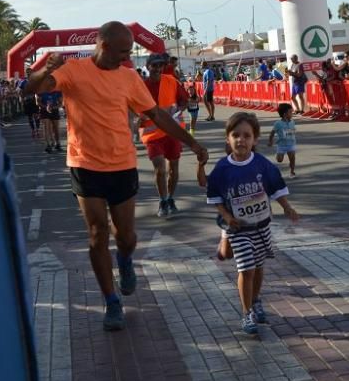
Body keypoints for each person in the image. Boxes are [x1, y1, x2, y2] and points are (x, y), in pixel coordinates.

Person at [23, 21, 208, 331]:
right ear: (103, 46)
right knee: (96, 233)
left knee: (126, 236)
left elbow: (157, 115)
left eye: (128, 53)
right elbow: (32, 88)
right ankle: (111, 301)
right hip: (84, 164)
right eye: (122, 52)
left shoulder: (128, 77)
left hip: (122, 164)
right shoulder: (73, 71)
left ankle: (124, 260)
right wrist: (45, 70)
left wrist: (192, 142)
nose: (125, 59)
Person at [203, 112, 299, 335]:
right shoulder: (222, 169)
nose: (241, 140)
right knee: (246, 269)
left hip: (261, 226)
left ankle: (256, 300)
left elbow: (276, 189)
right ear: (228, 138)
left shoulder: (262, 165)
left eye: (246, 135)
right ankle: (247, 313)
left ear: (255, 139)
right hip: (239, 229)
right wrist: (227, 218)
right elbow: (216, 198)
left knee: (257, 267)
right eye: (235, 135)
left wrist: (287, 207)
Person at [140, 53, 189, 218]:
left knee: (173, 168)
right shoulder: (141, 86)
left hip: (172, 131)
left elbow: (184, 101)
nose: (158, 69)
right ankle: (162, 200)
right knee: (160, 168)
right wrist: (138, 117)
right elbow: (131, 107)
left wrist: (178, 110)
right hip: (152, 134)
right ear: (148, 67)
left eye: (160, 65)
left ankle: (170, 198)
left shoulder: (171, 81)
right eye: (154, 66)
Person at [268, 103, 298, 177]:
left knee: (292, 159)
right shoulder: (278, 123)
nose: (292, 114)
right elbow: (272, 133)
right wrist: (270, 141)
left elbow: (293, 131)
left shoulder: (292, 122)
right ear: (285, 114)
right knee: (279, 160)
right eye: (290, 112)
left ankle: (292, 172)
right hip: (281, 145)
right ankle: (278, 156)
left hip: (291, 144)